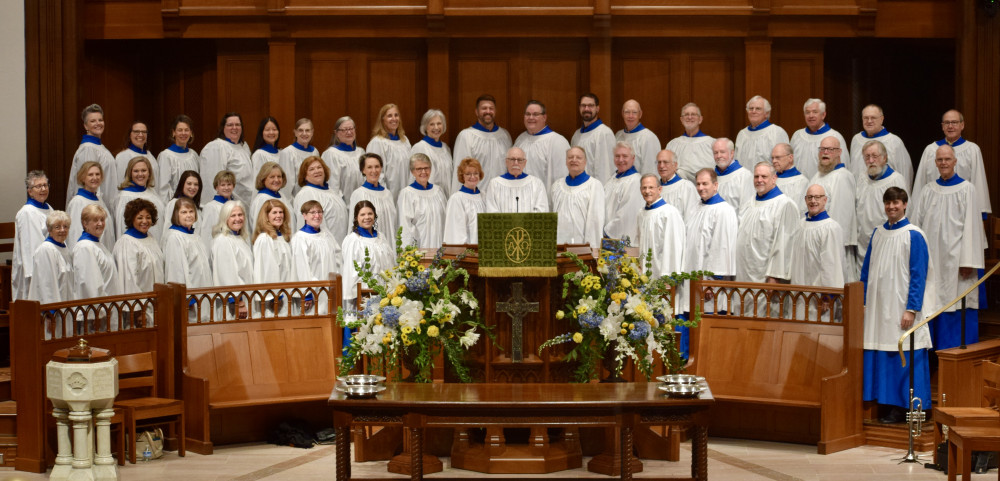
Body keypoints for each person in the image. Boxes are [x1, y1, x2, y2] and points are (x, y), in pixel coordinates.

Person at [860, 186, 935, 424]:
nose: (892, 207)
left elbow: (918, 275)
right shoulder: (878, 233)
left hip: (902, 307)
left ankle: (909, 407)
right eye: (888, 203)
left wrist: (911, 308)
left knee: (904, 354)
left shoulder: (914, 235)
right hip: (878, 307)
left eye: (896, 203)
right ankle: (885, 403)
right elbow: (866, 271)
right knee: (883, 352)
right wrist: (862, 301)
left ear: (904, 204)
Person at [909, 145, 985, 349]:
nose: (943, 163)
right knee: (932, 301)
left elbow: (972, 227)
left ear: (955, 161)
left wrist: (968, 261)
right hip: (932, 259)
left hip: (957, 262)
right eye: (940, 160)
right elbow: (916, 225)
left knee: (957, 301)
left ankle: (957, 358)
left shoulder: (967, 189)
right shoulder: (928, 190)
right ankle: (933, 356)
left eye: (947, 159)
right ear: (935, 163)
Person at [912, 109, 991, 219]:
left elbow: (978, 182)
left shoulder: (972, 150)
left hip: (961, 210)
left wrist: (980, 213)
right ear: (942, 126)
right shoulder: (930, 150)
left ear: (962, 125)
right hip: (933, 211)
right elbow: (920, 182)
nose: (950, 126)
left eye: (954, 122)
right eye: (947, 123)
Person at [683, 168, 738, 314]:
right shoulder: (696, 207)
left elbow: (722, 247)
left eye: (705, 184)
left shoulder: (724, 210)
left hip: (711, 285)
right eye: (698, 184)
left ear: (715, 185)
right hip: (694, 278)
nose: (701, 188)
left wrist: (712, 282)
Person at [735, 162, 800, 284]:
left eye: (764, 176)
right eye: (756, 176)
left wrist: (775, 276)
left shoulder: (784, 205)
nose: (759, 180)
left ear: (774, 178)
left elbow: (785, 243)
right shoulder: (749, 203)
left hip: (766, 276)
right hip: (743, 273)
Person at [787, 184, 846, 321]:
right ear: (805, 200)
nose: (813, 201)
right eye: (810, 197)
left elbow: (832, 264)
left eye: (817, 197)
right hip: (799, 293)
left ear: (825, 200)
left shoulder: (830, 227)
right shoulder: (801, 225)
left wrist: (828, 295)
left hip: (820, 299)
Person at [809, 136, 859, 283]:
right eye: (822, 149)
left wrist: (829, 240)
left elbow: (840, 217)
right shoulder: (816, 176)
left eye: (830, 149)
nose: (825, 152)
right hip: (816, 242)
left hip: (834, 245)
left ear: (839, 152)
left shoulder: (843, 176)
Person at [113, 199, 164, 329]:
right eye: (140, 217)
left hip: (154, 305)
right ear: (131, 219)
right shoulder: (126, 243)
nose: (145, 221)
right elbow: (129, 280)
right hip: (138, 311)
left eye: (148, 217)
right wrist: (138, 311)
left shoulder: (150, 238)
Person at [855, 140, 908, 266]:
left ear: (885, 158)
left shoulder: (896, 180)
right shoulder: (862, 178)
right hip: (863, 244)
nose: (871, 161)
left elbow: (903, 212)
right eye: (867, 157)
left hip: (888, 240)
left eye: (875, 156)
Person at [72, 204, 121, 331]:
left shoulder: (97, 244)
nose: (100, 224)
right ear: (85, 223)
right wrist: (97, 314)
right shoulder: (85, 247)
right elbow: (90, 284)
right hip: (94, 315)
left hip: (106, 309)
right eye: (95, 220)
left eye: (102, 220)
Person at [341, 200, 395, 312]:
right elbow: (351, 272)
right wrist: (357, 297)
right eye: (362, 214)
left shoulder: (381, 237)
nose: (367, 217)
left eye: (370, 214)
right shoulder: (353, 240)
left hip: (385, 294)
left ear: (375, 216)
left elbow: (390, 263)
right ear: (356, 218)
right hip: (364, 296)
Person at [451, 94, 513, 190]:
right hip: (476, 197)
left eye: (491, 108)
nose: (488, 111)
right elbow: (460, 172)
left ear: (495, 111)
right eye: (484, 108)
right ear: (476, 112)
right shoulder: (466, 136)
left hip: (501, 195)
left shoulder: (505, 136)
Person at [291, 200, 342, 314]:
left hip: (330, 289)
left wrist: (337, 280)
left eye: (319, 212)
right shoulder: (300, 238)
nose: (317, 216)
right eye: (312, 212)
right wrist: (308, 293)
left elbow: (337, 257)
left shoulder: (326, 235)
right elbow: (302, 267)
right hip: (313, 293)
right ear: (304, 216)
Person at [28, 210, 73, 338]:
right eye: (57, 227)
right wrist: (50, 313)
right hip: (51, 314)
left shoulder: (64, 248)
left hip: (65, 309)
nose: (62, 230)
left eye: (65, 226)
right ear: (49, 229)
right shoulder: (46, 250)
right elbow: (46, 284)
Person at [66, 104, 118, 211]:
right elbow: (89, 182)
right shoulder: (88, 148)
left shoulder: (99, 147)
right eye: (93, 121)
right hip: (93, 207)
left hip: (104, 203)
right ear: (85, 126)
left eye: (100, 120)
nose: (98, 123)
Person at [551, 147, 605, 249]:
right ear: (566, 161)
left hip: (581, 247)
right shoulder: (557, 186)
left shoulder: (594, 185)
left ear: (585, 162)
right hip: (558, 246)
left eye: (578, 157)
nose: (574, 160)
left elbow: (595, 221)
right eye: (570, 157)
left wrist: (591, 249)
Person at [849, 104, 913, 190]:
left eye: (873, 118)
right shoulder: (856, 140)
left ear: (882, 119)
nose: (869, 121)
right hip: (861, 194)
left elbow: (905, 172)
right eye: (866, 118)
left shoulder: (894, 142)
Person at [514, 100, 570, 192]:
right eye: (527, 114)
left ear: (544, 117)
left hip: (545, 201)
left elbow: (562, 177)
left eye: (535, 114)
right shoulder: (520, 140)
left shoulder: (557, 142)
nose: (531, 117)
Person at [637, 174, 685, 281]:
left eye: (651, 187)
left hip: (663, 276)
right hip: (645, 274)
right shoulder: (641, 213)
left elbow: (674, 246)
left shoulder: (669, 213)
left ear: (659, 189)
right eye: (644, 188)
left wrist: (671, 275)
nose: (647, 191)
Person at [211, 200, 254, 319]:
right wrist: (238, 302)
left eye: (240, 215)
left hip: (245, 297)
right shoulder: (223, 241)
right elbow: (227, 274)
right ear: (225, 219)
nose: (237, 219)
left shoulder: (240, 238)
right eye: (233, 215)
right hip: (233, 303)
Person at [13, 171, 52, 301]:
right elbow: (30, 246)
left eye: (45, 185)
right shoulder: (27, 212)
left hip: (49, 263)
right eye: (38, 186)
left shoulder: (49, 208)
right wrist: (35, 274)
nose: (43, 189)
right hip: (34, 270)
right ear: (30, 191)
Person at [201, 112, 255, 206]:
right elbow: (211, 181)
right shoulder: (217, 147)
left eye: (237, 124)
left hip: (245, 203)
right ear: (223, 128)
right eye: (230, 125)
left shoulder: (244, 147)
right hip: (226, 205)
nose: (234, 128)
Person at [788, 98, 849, 180]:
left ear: (823, 115)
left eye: (815, 112)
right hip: (799, 187)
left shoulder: (835, 137)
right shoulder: (797, 136)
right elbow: (789, 163)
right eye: (807, 112)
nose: (811, 116)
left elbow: (843, 168)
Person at [292, 156, 349, 244]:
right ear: (305, 176)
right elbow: (308, 225)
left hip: (340, 244)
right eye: (311, 169)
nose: (317, 171)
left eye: (319, 167)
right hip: (323, 247)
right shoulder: (306, 194)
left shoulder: (331, 191)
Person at [253, 199, 295, 314]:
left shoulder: (282, 237)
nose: (279, 216)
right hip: (273, 299)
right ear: (266, 216)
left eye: (281, 212)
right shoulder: (265, 239)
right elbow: (267, 270)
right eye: (274, 213)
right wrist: (274, 296)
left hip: (284, 292)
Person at [348, 153, 398, 249]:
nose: (374, 171)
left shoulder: (388, 194)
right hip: (368, 246)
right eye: (369, 167)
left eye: (377, 167)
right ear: (363, 170)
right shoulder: (359, 194)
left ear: (381, 168)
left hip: (389, 244)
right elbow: (353, 223)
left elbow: (393, 223)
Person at [398, 153, 447, 249]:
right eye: (419, 169)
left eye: (426, 168)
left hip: (440, 245)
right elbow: (405, 227)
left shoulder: (438, 191)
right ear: (412, 172)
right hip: (420, 248)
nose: (423, 172)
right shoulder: (407, 194)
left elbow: (445, 220)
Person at [162, 197, 212, 288]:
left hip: (202, 290)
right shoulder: (175, 237)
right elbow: (176, 272)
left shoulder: (195, 236)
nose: (189, 215)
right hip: (189, 296)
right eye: (184, 212)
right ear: (176, 215)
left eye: (191, 211)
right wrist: (188, 299)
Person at [66, 162, 115, 252]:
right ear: (83, 178)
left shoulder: (99, 200)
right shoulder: (78, 202)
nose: (95, 178)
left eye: (97, 174)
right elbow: (75, 232)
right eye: (90, 175)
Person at [366, 103, 411, 201]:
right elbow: (377, 172)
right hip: (386, 194)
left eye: (396, 115)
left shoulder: (404, 141)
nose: (394, 118)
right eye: (389, 116)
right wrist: (384, 195)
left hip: (405, 193)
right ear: (382, 120)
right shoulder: (378, 142)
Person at [114, 156, 166, 240]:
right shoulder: (124, 197)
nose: (140, 174)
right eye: (136, 171)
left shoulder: (152, 192)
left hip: (155, 242)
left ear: (149, 173)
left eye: (144, 170)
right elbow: (122, 227)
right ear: (130, 173)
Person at [484, 147, 548, 213]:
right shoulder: (494, 184)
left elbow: (542, 210)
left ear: (525, 163)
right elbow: (491, 211)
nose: (516, 163)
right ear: (506, 162)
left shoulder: (536, 184)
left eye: (520, 160)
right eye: (512, 159)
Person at [603, 142, 645, 241]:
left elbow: (626, 214)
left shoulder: (635, 181)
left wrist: (607, 231)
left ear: (633, 158)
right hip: (605, 235)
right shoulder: (612, 179)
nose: (620, 160)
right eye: (617, 156)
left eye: (625, 156)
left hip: (618, 238)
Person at [570, 93, 616, 183]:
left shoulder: (604, 133)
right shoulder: (576, 135)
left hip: (595, 191)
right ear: (579, 108)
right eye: (583, 105)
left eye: (590, 105)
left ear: (597, 108)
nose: (586, 109)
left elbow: (606, 171)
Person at [735, 95, 790, 170]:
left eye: (758, 109)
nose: (753, 111)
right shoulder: (742, 134)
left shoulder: (776, 132)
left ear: (766, 113)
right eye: (751, 108)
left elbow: (784, 163)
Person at [157, 115, 201, 204]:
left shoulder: (194, 155)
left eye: (186, 130)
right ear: (174, 133)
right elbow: (163, 188)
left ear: (191, 133)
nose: (183, 133)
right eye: (180, 130)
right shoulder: (166, 156)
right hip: (175, 205)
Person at [665, 102, 715, 181]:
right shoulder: (672, 145)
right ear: (681, 119)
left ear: (700, 119)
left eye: (693, 114)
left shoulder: (712, 143)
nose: (690, 117)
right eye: (686, 114)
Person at [409, 109, 454, 197]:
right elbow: (414, 177)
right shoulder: (420, 147)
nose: (436, 127)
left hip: (445, 198)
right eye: (432, 124)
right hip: (426, 198)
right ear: (425, 127)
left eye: (439, 123)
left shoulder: (446, 148)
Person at [323, 116, 366, 205]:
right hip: (343, 205)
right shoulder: (331, 154)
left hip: (362, 204)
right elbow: (332, 186)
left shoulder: (361, 152)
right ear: (336, 133)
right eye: (344, 130)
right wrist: (339, 205)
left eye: (351, 128)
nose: (349, 132)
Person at [114, 121, 160, 201]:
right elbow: (120, 183)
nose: (140, 135)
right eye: (136, 132)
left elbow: (156, 183)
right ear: (130, 134)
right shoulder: (123, 156)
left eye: (144, 132)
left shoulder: (151, 156)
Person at [443, 158, 486, 244]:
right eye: (468, 174)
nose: (473, 177)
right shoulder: (457, 199)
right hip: (468, 251)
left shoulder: (484, 196)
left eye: (476, 173)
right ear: (462, 176)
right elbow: (456, 231)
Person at [615, 99, 661, 176]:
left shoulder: (648, 137)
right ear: (622, 114)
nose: (630, 116)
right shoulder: (618, 135)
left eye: (634, 112)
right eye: (627, 112)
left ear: (640, 114)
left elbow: (650, 169)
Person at [712, 137, 753, 217]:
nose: (719, 156)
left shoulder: (744, 175)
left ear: (732, 153)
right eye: (715, 153)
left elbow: (746, 210)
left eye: (722, 152)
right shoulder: (712, 176)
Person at [279, 118, 318, 198]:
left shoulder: (315, 152)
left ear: (312, 132)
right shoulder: (288, 152)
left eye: (307, 130)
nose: (304, 133)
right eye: (300, 130)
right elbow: (287, 185)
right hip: (296, 200)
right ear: (295, 132)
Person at [656, 149, 699, 221]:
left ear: (675, 165)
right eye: (659, 162)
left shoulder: (686, 187)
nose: (661, 166)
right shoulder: (654, 189)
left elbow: (692, 219)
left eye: (665, 162)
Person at [163, 170, 204, 243]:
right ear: (182, 184)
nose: (193, 187)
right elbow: (167, 229)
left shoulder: (197, 208)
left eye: (196, 184)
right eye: (189, 183)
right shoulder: (174, 203)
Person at [201, 170, 237, 252]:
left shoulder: (236, 205)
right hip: (220, 250)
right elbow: (206, 235)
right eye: (223, 185)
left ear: (233, 186)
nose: (226, 188)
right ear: (216, 187)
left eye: (229, 184)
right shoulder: (211, 207)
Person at [248, 162, 288, 229]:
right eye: (272, 177)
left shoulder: (282, 195)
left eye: (279, 176)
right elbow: (258, 227)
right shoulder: (262, 199)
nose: (276, 180)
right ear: (263, 179)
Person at [771, 143, 807, 214]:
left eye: (778, 157)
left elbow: (802, 211)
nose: (774, 161)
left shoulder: (802, 182)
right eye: (772, 158)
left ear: (790, 158)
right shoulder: (770, 180)